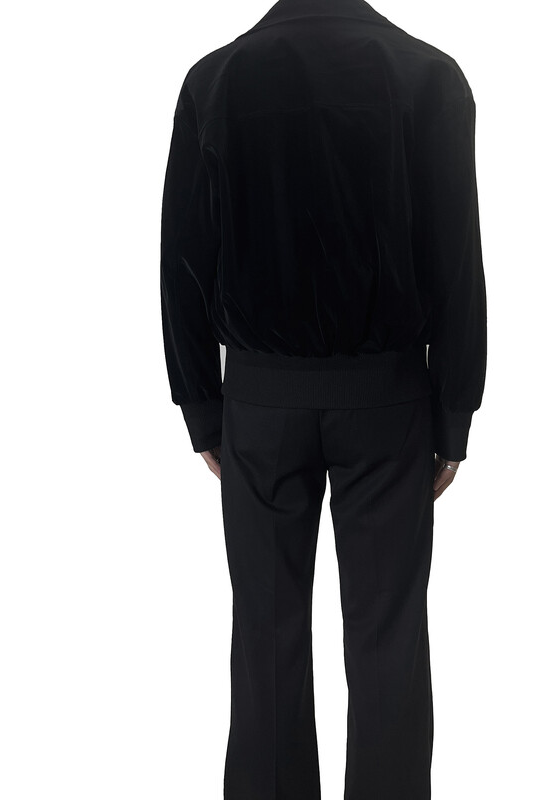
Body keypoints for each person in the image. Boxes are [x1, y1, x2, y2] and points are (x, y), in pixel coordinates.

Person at [159, 0, 487, 796]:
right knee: (388, 642)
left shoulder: (215, 80)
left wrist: (202, 404)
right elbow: (457, 256)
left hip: (261, 406)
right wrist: (454, 411)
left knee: (265, 640)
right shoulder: (429, 77)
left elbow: (182, 255)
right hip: (388, 403)